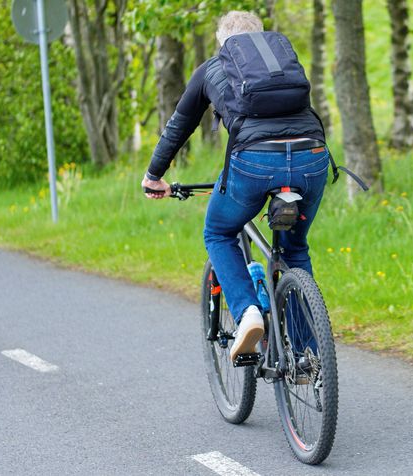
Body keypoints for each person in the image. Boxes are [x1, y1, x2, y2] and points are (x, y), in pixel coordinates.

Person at [140, 11, 329, 361]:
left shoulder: (212, 68)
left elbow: (178, 126)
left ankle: (247, 313)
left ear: (221, 41)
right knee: (294, 247)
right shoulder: (280, 64)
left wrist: (154, 175)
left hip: (255, 165)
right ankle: (309, 355)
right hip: (312, 157)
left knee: (218, 232)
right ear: (259, 38)